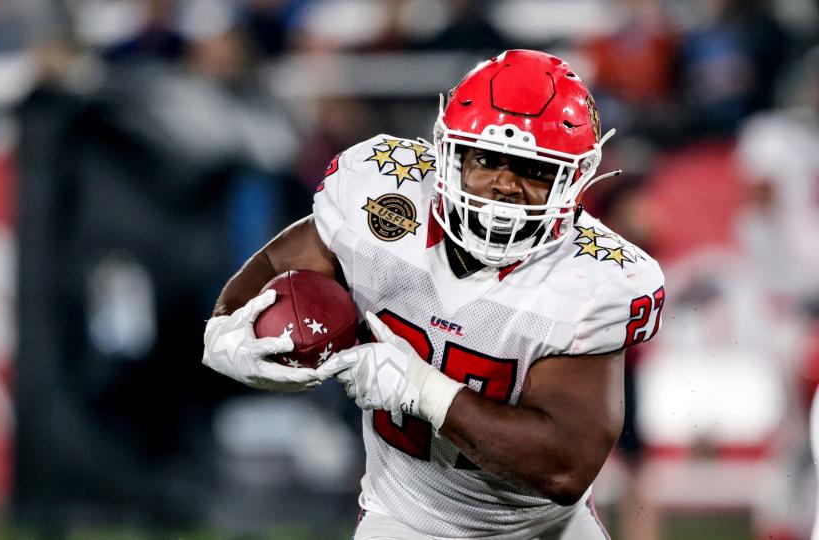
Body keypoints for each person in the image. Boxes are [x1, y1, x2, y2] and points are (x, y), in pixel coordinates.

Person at [202, 50, 665, 539]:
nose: (506, 185)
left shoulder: (593, 278)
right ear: (448, 152)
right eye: (487, 159)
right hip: (405, 520)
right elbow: (279, 263)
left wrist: (418, 388)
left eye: (534, 170)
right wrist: (224, 327)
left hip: (544, 529)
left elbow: (564, 467)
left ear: (573, 180)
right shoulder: (383, 197)